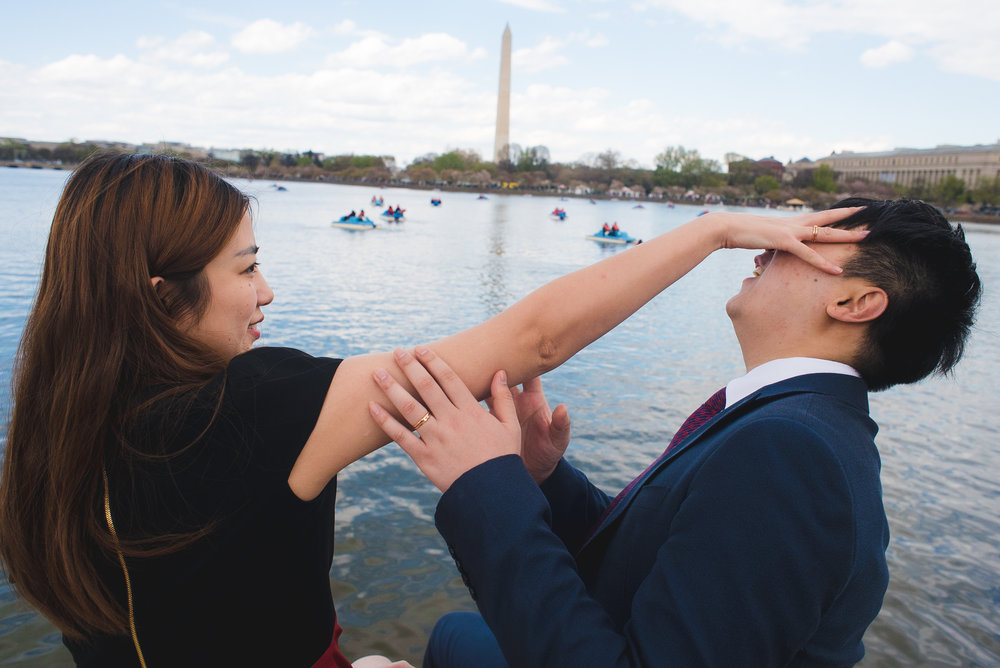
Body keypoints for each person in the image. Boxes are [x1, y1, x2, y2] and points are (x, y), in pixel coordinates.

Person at [0, 152, 866, 667]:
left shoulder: (45, 435)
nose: (266, 291)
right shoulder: (251, 408)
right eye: (244, 268)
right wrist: (712, 230)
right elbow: (534, 339)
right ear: (162, 296)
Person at [368, 198, 982, 668]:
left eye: (806, 241)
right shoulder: (799, 424)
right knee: (453, 633)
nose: (766, 248)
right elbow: (666, 559)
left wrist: (485, 487)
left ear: (855, 302)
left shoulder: (794, 453)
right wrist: (540, 478)